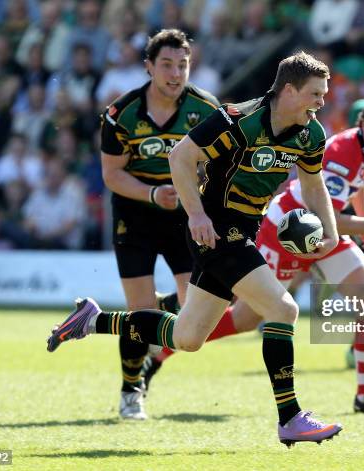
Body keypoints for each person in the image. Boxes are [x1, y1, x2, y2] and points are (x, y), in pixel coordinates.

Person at [47, 51, 343, 446]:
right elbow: (181, 156)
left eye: (323, 95)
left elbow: (312, 184)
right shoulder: (240, 120)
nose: (321, 103)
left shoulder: (311, 134)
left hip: (244, 228)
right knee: (283, 308)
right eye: (315, 94)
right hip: (218, 230)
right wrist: (197, 215)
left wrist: (332, 231)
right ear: (288, 91)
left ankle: (91, 320)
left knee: (187, 337)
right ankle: (290, 417)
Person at [150, 97, 364, 414]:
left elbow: (358, 184)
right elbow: (326, 212)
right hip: (287, 234)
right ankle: (163, 350)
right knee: (246, 318)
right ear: (363, 126)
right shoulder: (343, 153)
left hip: (324, 238)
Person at [99, 29, 219, 420]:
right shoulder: (121, 114)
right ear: (148, 66)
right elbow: (112, 174)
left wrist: (193, 189)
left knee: (192, 308)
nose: (175, 73)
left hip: (184, 214)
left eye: (182, 65)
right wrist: (152, 194)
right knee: (137, 312)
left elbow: (218, 165)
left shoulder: (206, 109)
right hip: (135, 215)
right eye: (166, 64)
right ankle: (131, 388)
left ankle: (157, 312)